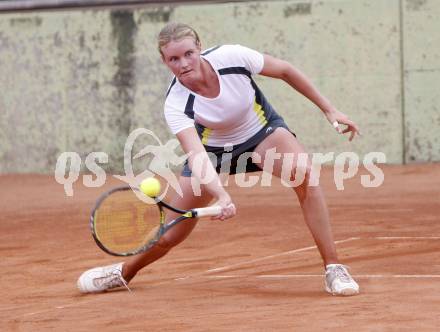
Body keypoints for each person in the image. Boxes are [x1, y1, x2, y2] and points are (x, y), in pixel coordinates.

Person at [77, 22, 360, 296]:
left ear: (199, 47)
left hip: (261, 133)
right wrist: (221, 195)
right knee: (169, 235)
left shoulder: (231, 56)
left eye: (188, 53)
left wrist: (329, 110)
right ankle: (124, 273)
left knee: (305, 176)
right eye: (174, 59)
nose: (184, 63)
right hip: (212, 153)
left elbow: (285, 70)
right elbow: (197, 155)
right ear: (165, 62)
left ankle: (334, 267)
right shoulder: (176, 103)